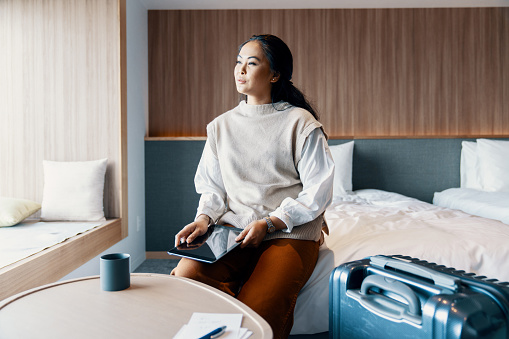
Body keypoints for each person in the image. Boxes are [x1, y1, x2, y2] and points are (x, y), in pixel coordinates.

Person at [171, 34, 334, 339]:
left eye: (252, 62)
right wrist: (203, 219)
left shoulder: (301, 122)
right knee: (185, 279)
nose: (240, 69)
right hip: (234, 232)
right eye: (238, 61)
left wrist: (270, 222)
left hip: (289, 232)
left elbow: (318, 192)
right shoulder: (220, 126)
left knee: (258, 313)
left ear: (275, 74)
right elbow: (213, 188)